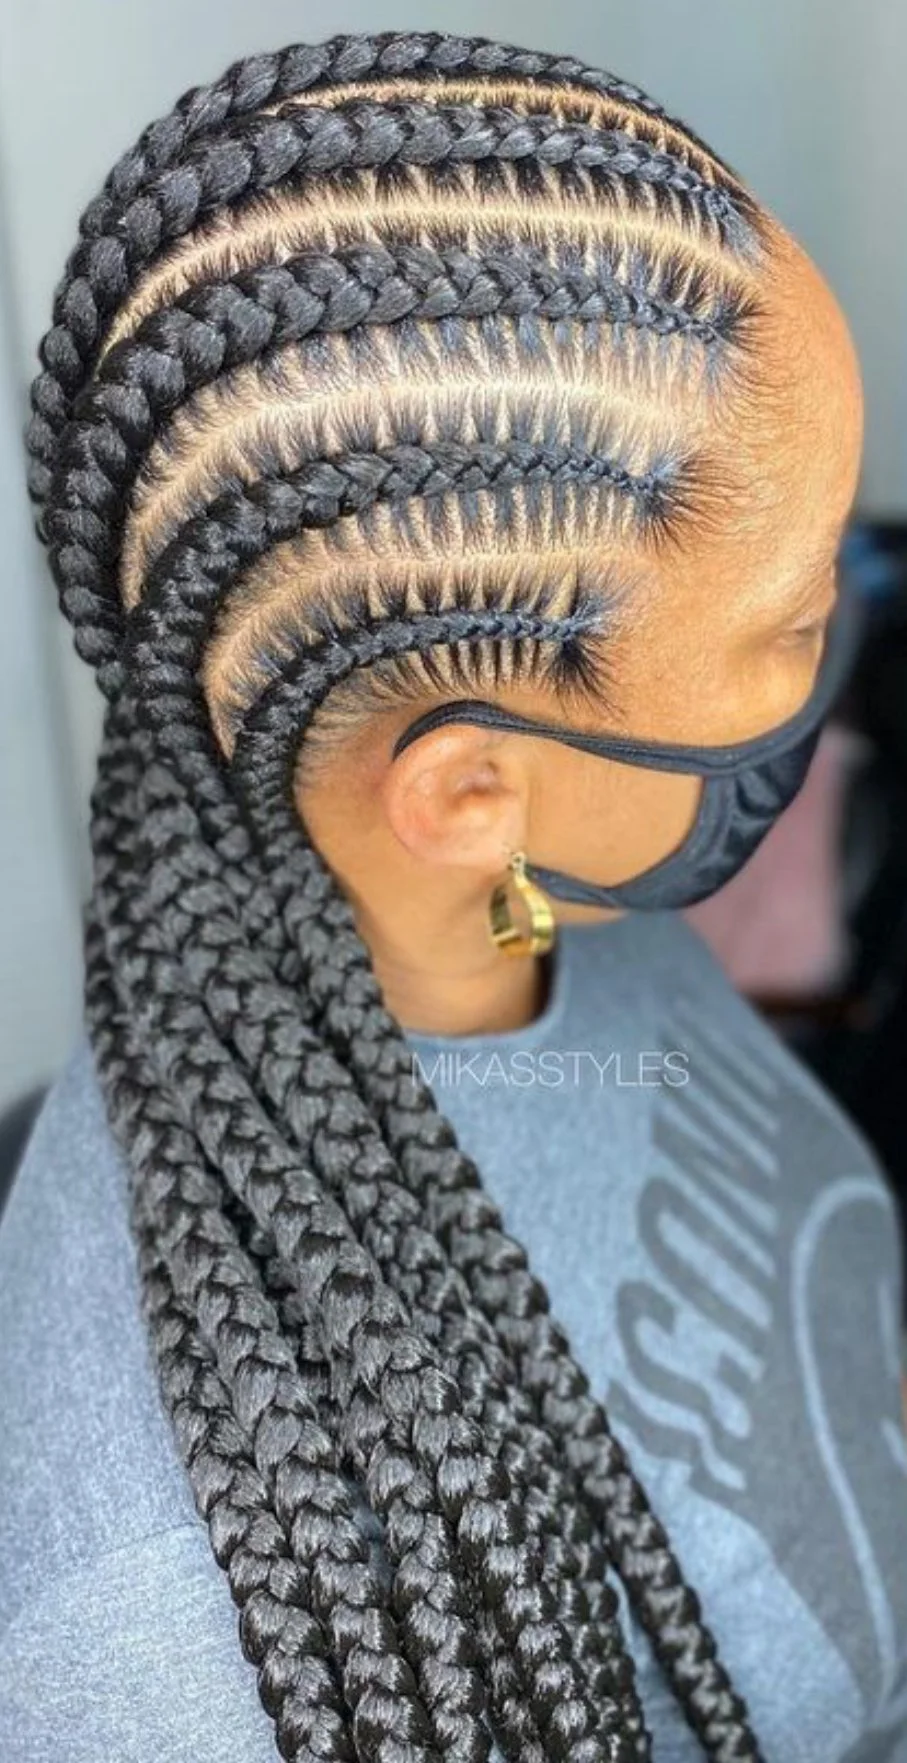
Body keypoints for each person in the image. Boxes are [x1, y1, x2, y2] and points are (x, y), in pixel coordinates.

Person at [1, 27, 905, 1763]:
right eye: (790, 624)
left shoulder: (548, 927)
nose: (835, 652)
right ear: (467, 788)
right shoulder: (158, 1637)